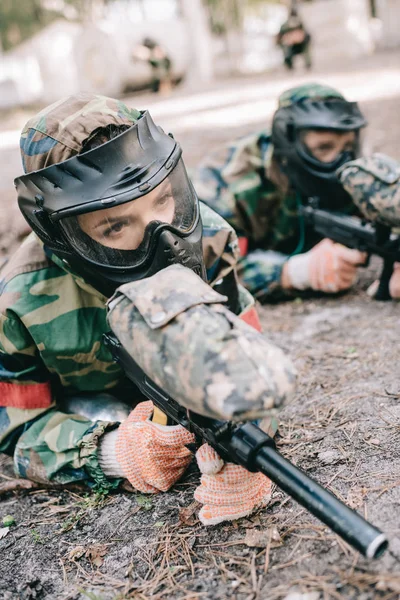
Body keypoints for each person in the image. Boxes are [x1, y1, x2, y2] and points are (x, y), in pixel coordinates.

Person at [0, 93, 295, 526]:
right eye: (115, 225)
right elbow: (15, 426)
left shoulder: (209, 237)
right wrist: (113, 453)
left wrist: (245, 452)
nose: (166, 239)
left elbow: (245, 354)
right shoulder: (20, 302)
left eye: (162, 200)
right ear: (62, 234)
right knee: (100, 409)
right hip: (91, 407)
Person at [192, 82, 400, 302]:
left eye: (348, 146)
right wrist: (293, 272)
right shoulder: (226, 180)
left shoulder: (354, 172)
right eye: (324, 148)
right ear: (289, 144)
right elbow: (203, 266)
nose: (341, 160)